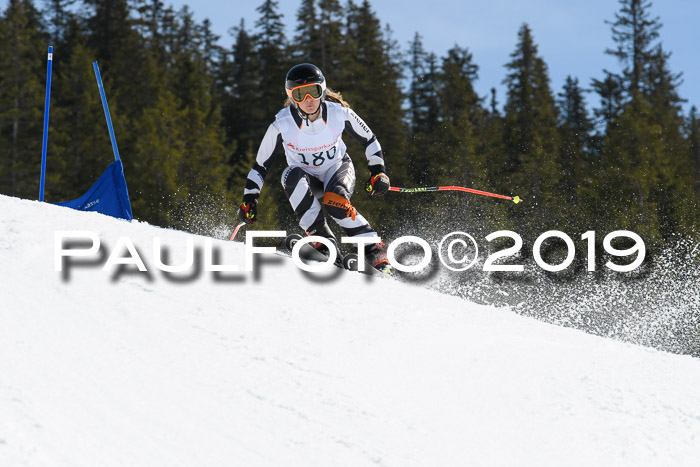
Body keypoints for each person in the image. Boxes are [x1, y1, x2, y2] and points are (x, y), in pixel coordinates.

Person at [237, 63, 391, 272]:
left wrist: (378, 171)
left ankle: (374, 250)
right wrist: (250, 198)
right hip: (306, 178)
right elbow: (261, 165)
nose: (308, 100)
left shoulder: (339, 113)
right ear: (291, 96)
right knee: (288, 174)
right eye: (300, 94)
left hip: (337, 169)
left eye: (313, 92)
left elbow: (369, 139)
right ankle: (323, 242)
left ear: (322, 90)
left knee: (335, 201)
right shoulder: (281, 124)